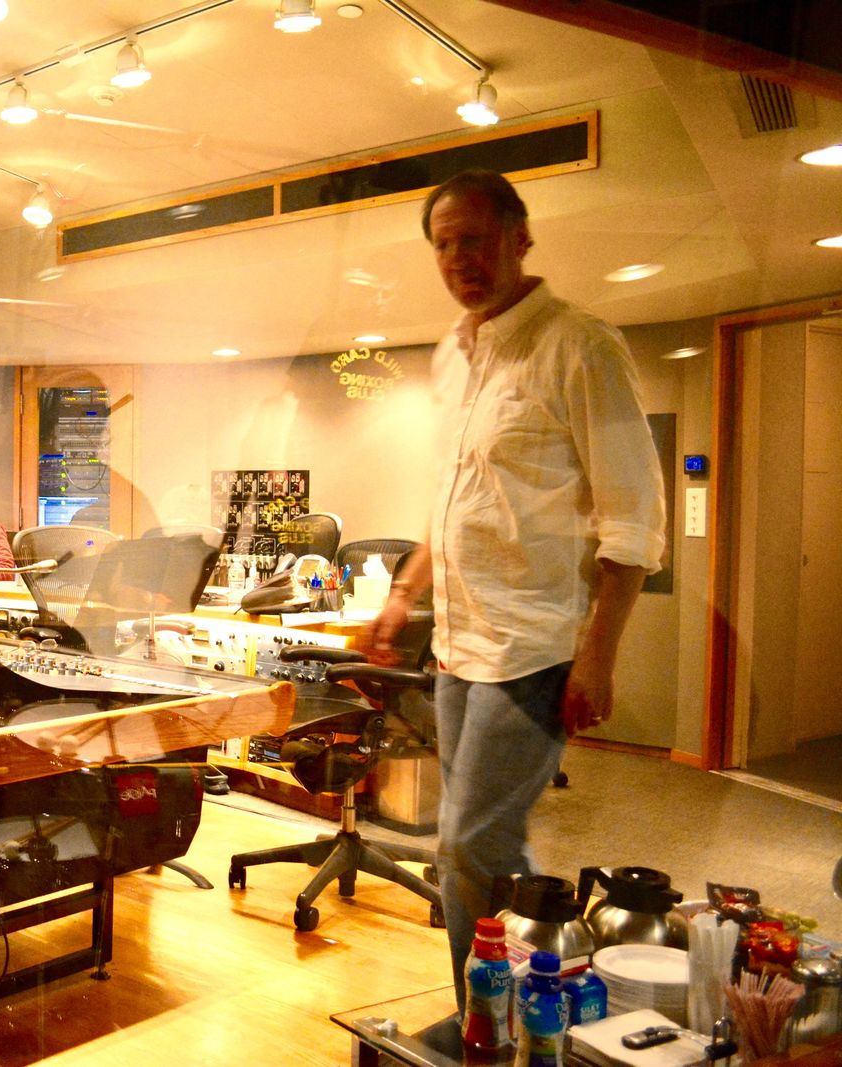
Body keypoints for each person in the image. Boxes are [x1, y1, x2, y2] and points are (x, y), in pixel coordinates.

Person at [365, 170, 666, 1013]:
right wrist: (403, 595)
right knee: (474, 850)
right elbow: (452, 499)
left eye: (476, 238)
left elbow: (634, 520)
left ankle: (504, 1013)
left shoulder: (580, 345)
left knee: (472, 841)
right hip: (459, 645)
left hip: (534, 646)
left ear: (520, 236)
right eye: (444, 244)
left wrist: (598, 657)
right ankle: (506, 1011)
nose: (459, 257)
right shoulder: (452, 356)